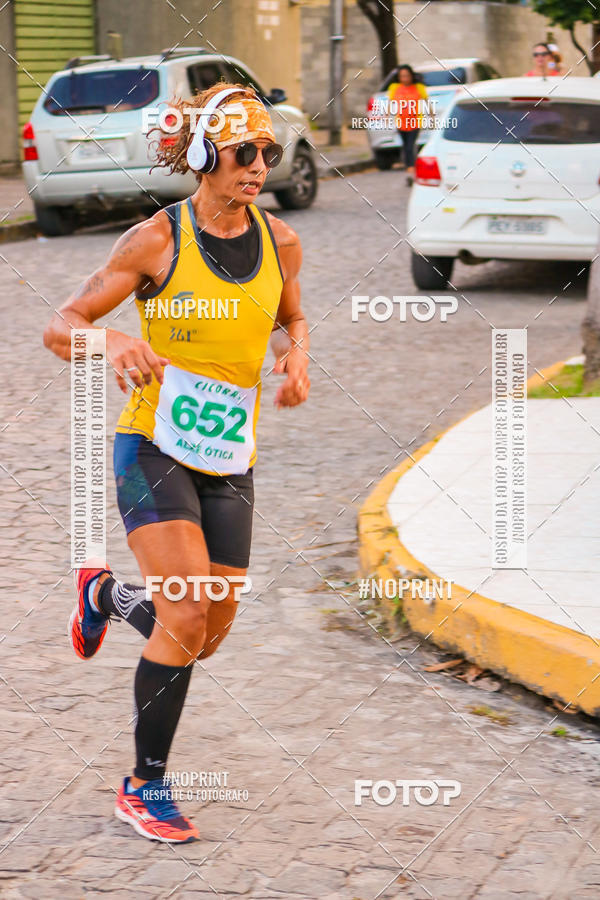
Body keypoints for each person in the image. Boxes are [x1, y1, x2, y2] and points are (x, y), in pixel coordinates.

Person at [43, 82, 310, 843]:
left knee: (205, 632)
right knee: (187, 611)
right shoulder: (155, 241)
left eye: (270, 152)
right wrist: (116, 342)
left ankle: (106, 600)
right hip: (150, 445)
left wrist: (298, 356)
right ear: (201, 155)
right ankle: (144, 787)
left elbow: (291, 314)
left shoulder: (282, 241)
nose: (259, 166)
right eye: (242, 152)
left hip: (228, 454)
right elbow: (60, 326)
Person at [387, 64, 428, 185]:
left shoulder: (419, 87)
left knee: (410, 146)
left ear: (411, 76)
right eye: (402, 76)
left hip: (415, 122)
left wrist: (431, 116)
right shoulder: (394, 87)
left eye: (407, 76)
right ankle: (410, 168)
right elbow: (390, 103)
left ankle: (411, 169)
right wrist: (386, 116)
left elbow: (426, 102)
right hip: (401, 122)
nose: (405, 78)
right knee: (405, 146)